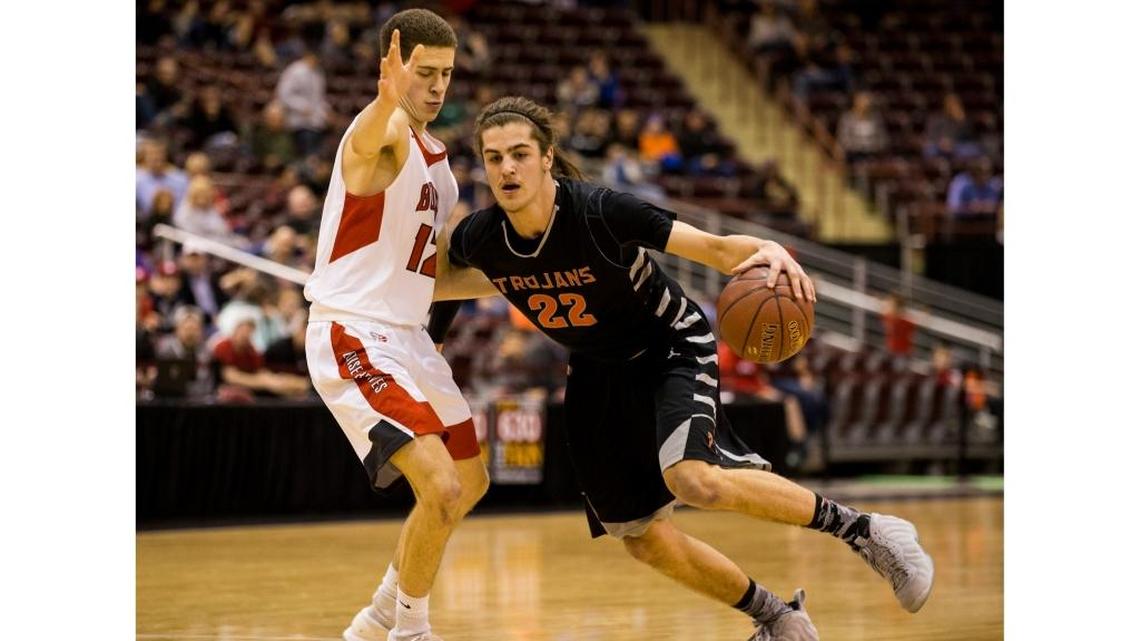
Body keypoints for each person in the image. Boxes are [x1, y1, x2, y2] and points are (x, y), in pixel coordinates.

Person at [432, 97, 934, 640]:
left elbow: (716, 249)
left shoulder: (601, 211)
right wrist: (430, 342)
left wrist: (769, 248)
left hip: (669, 345)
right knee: (640, 536)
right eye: (493, 157)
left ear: (547, 157)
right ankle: (778, 618)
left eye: (519, 154)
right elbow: (444, 283)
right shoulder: (479, 235)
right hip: (597, 373)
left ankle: (868, 531)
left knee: (693, 479)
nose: (506, 168)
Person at [302, 11, 494, 641]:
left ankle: (381, 613)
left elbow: (432, 272)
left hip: (410, 336)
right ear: (395, 66)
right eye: (425, 72)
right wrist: (384, 101)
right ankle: (410, 631)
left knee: (469, 481)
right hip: (354, 330)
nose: (438, 87)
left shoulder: (440, 166)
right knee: (437, 484)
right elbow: (365, 144)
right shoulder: (377, 139)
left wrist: (525, 277)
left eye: (447, 74)